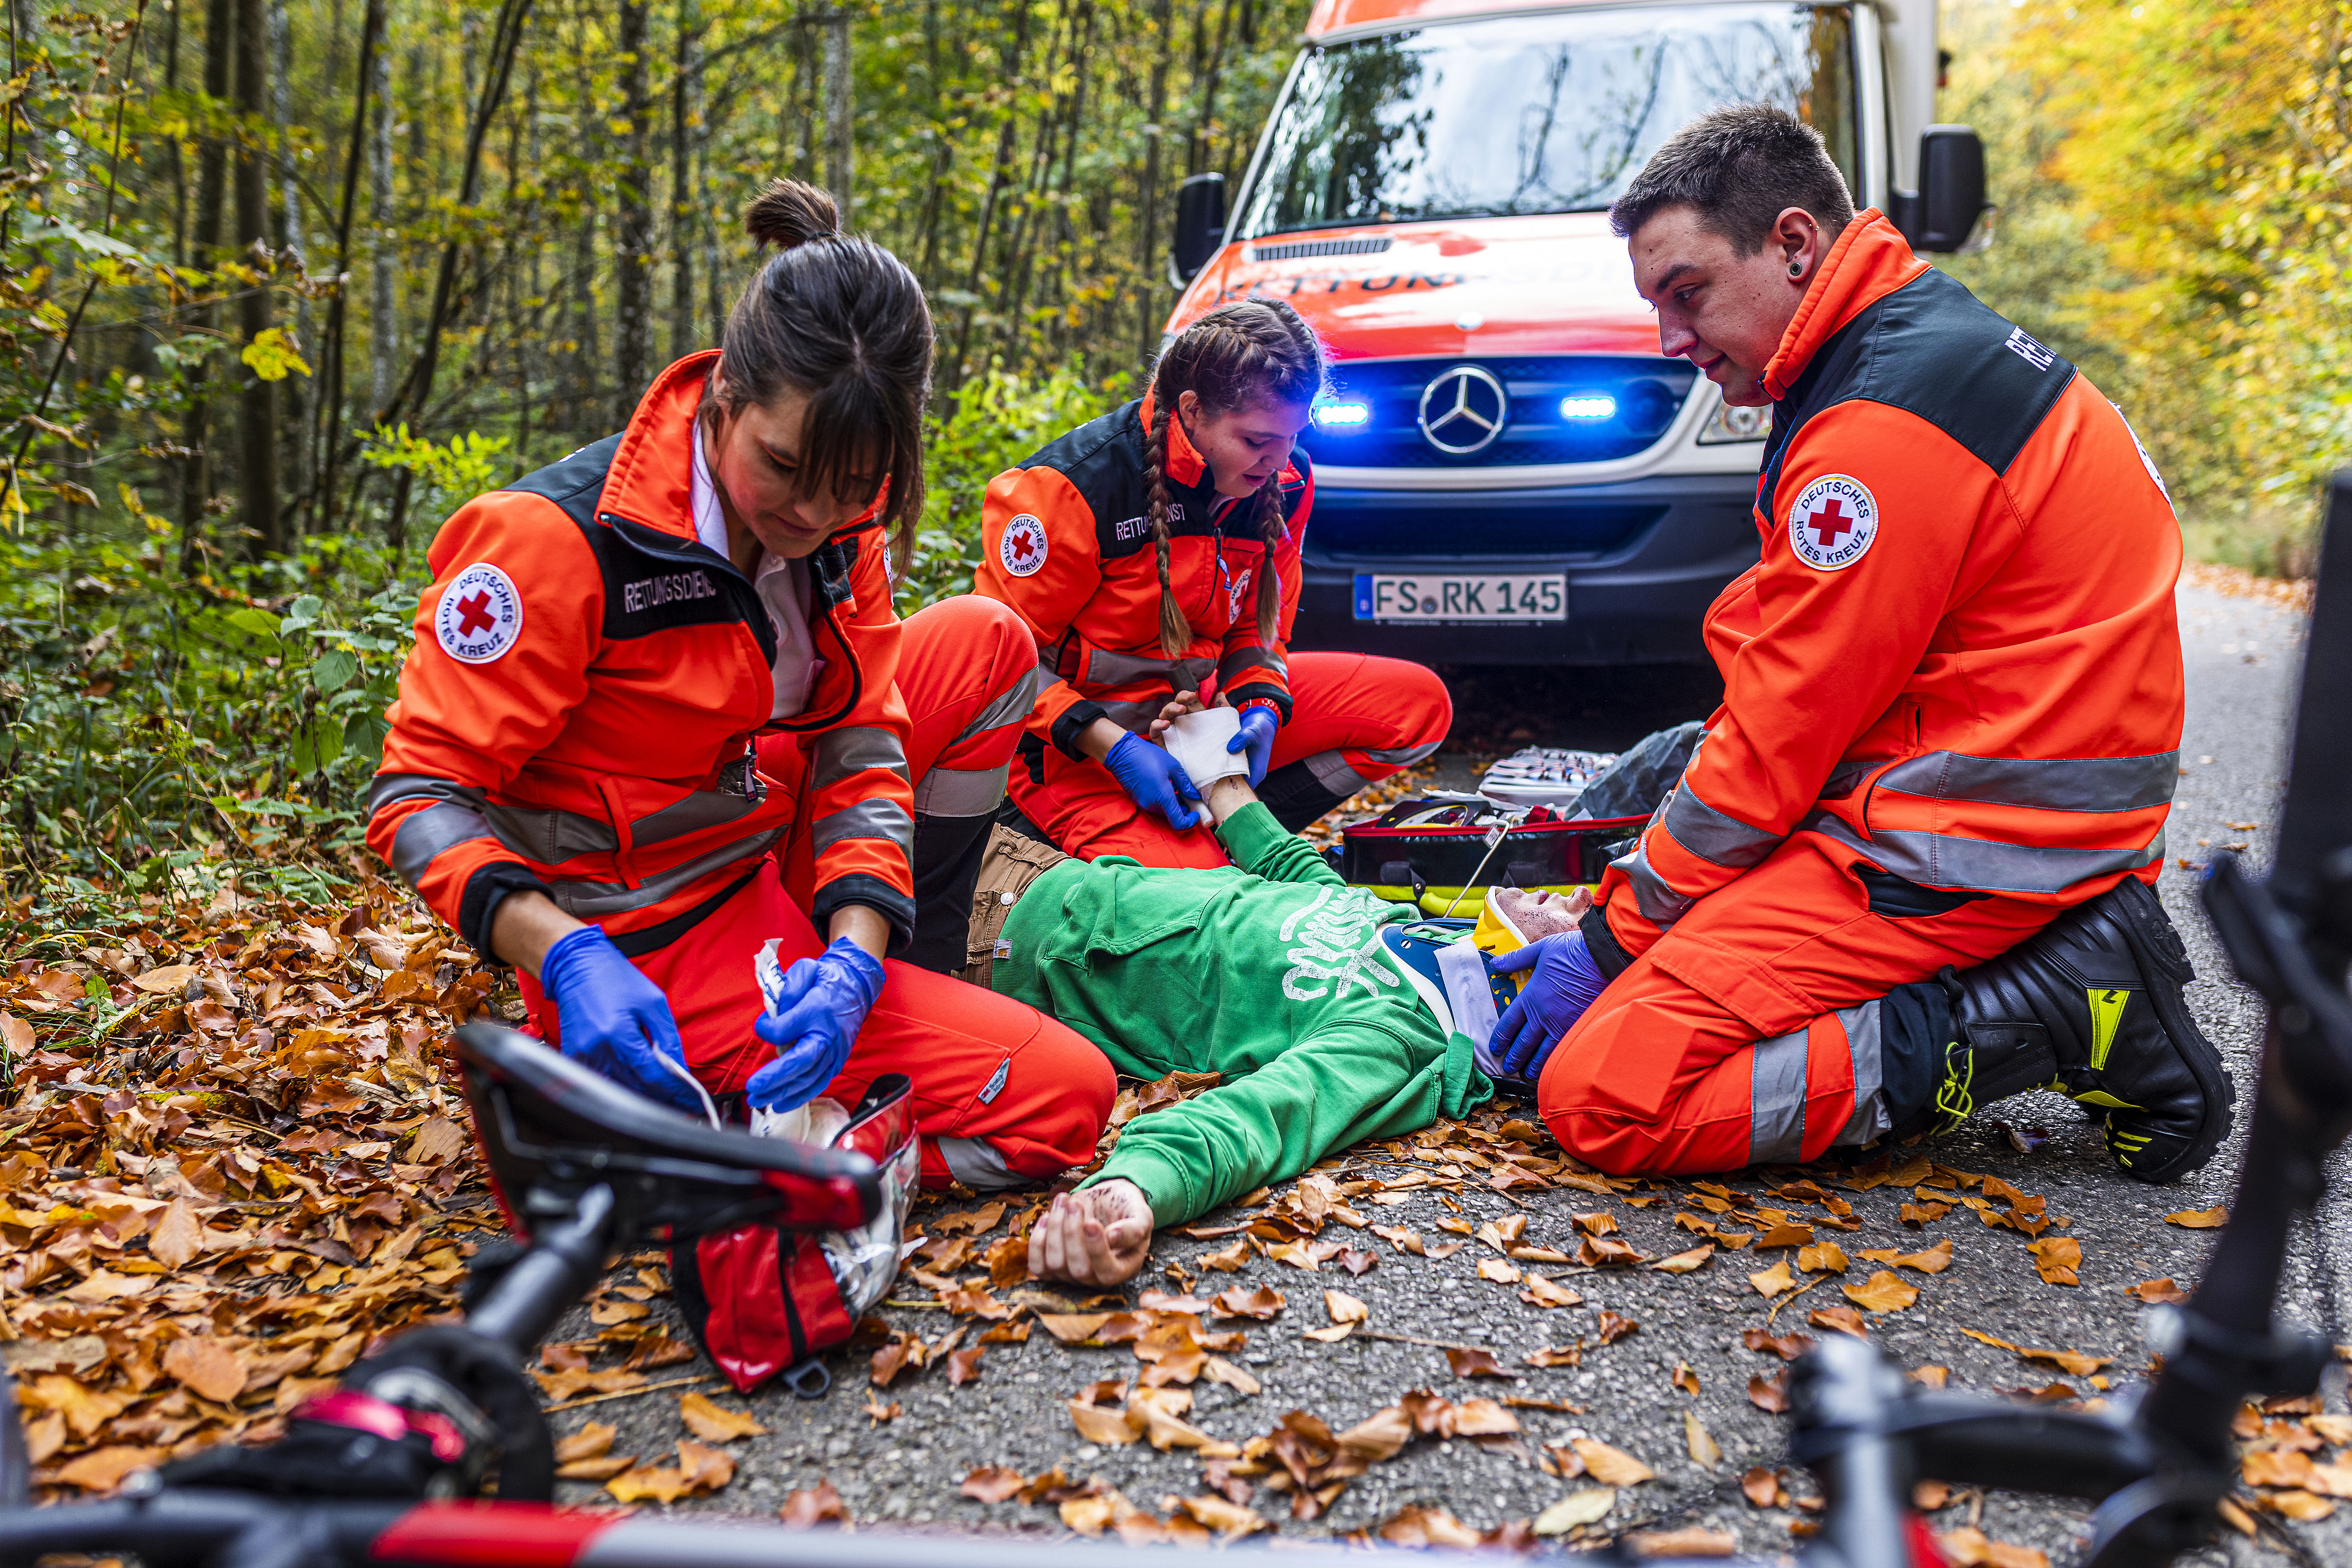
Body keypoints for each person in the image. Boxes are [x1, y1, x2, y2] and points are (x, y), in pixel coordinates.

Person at [1491, 106, 2230, 1183]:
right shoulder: (1910, 347)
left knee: (1608, 1095)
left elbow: (1777, 745)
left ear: (1794, 245)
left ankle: (2056, 1006)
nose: (1671, 341)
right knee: (1682, 839)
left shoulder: (1878, 424)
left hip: (1956, 839)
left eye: (1687, 294)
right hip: (1991, 800)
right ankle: (2059, 964)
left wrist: (1610, 941)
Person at [365, 180, 1114, 1191]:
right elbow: (418, 797)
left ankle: (896, 988)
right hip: (630, 937)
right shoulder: (554, 544)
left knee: (986, 640)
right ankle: (716, 1143)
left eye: (854, 486)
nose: (813, 512)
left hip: (760, 850)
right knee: (1066, 1100)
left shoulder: (846, 527)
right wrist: (564, 956)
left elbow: (863, 747)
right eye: (785, 467)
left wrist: (854, 954)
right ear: (723, 400)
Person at [954, 700, 1533, 1286]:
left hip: (989, 949)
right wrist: (1214, 756)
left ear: (1535, 990)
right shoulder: (1413, 930)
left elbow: (1264, 1117)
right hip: (1021, 859)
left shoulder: (1397, 1035)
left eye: (1582, 945)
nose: (1583, 903)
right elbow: (1287, 860)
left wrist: (1136, 1186)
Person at [973, 298, 1453, 867]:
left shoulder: (1285, 483)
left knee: (1416, 708)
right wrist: (1113, 744)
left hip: (1201, 718)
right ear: (1192, 410)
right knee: (1203, 907)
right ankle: (1186, 849)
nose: (1278, 461)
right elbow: (997, 666)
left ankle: (1230, 826)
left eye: (1291, 436)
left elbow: (1257, 625)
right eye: (1255, 441)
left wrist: (1260, 705)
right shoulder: (1067, 492)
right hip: (1076, 750)